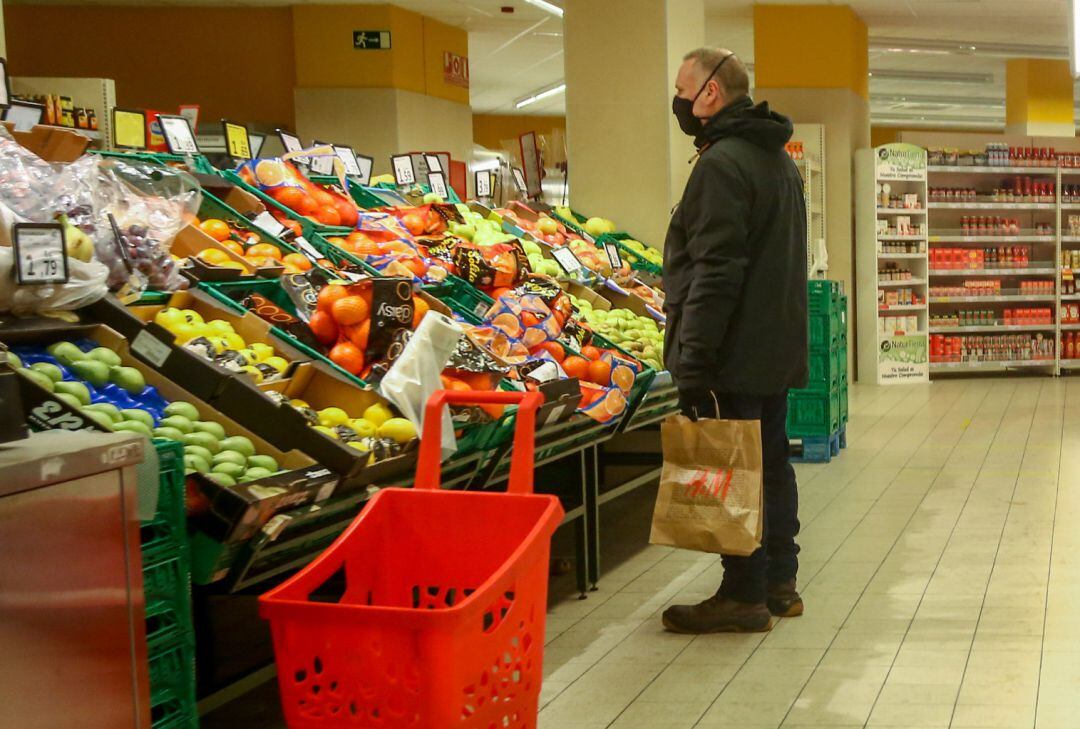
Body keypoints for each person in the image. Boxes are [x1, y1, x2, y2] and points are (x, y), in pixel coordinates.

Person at [660, 47, 809, 634]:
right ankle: (779, 582)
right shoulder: (777, 160)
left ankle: (743, 594)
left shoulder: (723, 164)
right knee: (770, 464)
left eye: (682, 90)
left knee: (734, 470)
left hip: (734, 350)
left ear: (711, 95)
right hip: (772, 346)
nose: (677, 101)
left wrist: (694, 359)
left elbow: (714, 270)